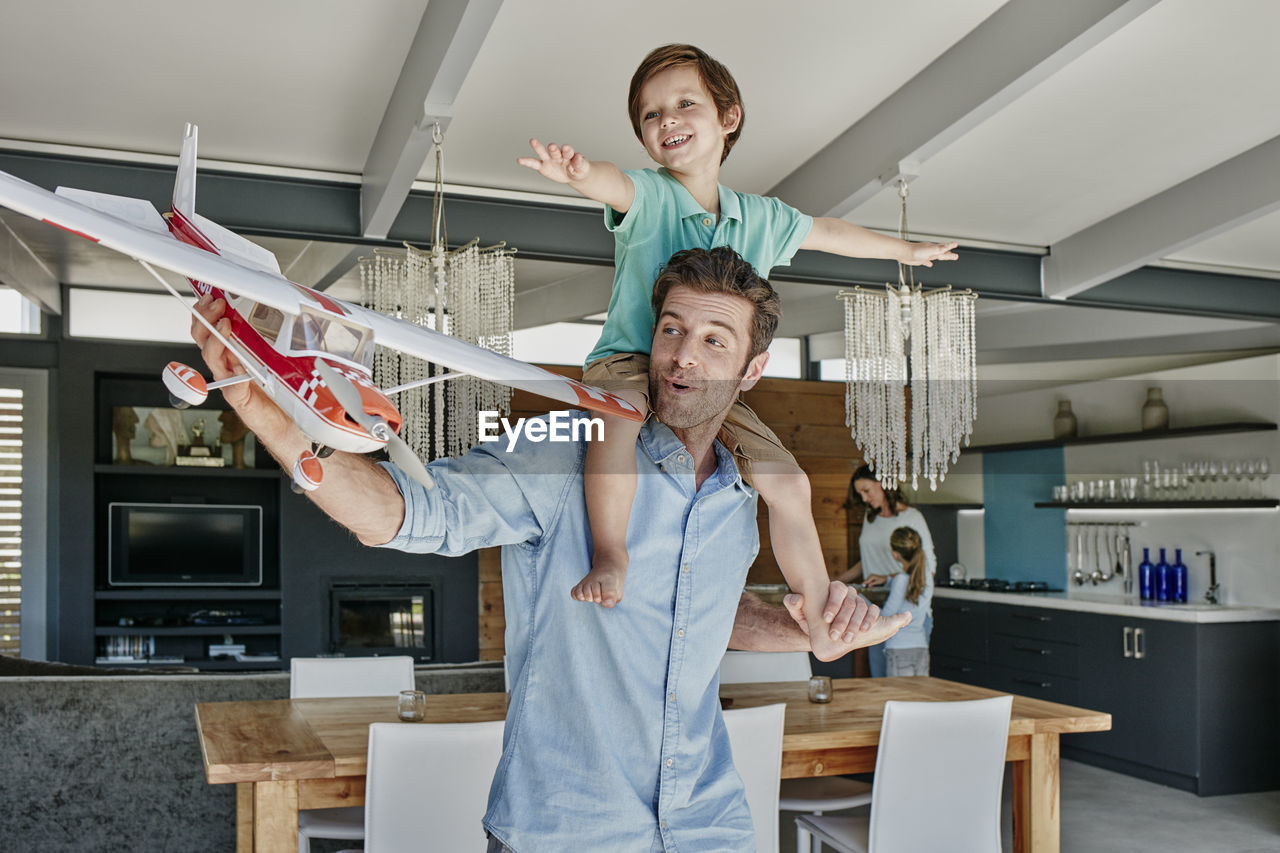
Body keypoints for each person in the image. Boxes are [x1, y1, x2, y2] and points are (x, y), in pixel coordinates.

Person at [191, 247, 909, 852]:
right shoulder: (569, 449)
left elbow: (704, 611)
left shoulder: (739, 497)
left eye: (715, 339)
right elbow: (407, 512)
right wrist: (282, 425)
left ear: (751, 369)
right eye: (671, 329)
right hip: (568, 829)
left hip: (706, 825)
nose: (684, 356)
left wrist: (822, 623)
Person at [517, 44, 958, 631]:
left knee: (791, 481)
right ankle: (611, 554)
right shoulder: (650, 196)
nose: (666, 119)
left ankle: (822, 612)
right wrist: (579, 175)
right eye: (650, 115)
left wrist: (905, 250)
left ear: (729, 117)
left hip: (714, 382)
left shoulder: (764, 217)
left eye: (684, 104)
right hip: (631, 360)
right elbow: (612, 184)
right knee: (617, 422)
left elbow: (830, 232)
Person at [837, 464, 937, 677]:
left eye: (866, 491)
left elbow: (928, 567)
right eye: (860, 494)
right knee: (881, 679)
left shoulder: (912, 518)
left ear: (882, 484)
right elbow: (867, 560)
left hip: (906, 614)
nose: (864, 499)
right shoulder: (870, 518)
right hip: (875, 613)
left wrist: (889, 579)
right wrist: (837, 580)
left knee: (905, 685)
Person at [881, 526, 933, 676]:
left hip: (899, 648)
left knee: (899, 697)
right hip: (921, 647)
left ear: (895, 554)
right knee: (919, 697)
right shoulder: (926, 577)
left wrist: (864, 601)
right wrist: (889, 579)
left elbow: (887, 615)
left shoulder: (901, 581)